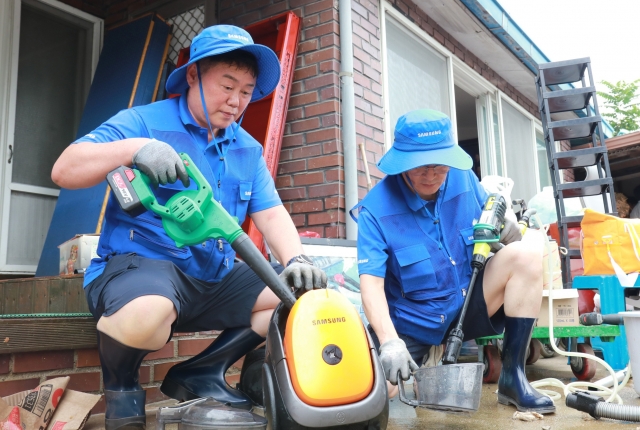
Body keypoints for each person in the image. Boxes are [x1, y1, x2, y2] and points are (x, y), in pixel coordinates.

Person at [52, 25, 326, 430]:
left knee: (297, 299)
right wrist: (134, 149)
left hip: (211, 273)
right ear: (194, 76)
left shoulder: (247, 148)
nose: (236, 102)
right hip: (141, 266)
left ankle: (203, 370)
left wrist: (297, 258)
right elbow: (65, 169)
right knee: (149, 310)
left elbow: (270, 213)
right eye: (226, 86)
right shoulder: (143, 120)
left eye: (246, 91)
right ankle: (122, 385)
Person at [351, 109, 555, 414]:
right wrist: (390, 342)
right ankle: (406, 361)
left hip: (468, 301)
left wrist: (507, 224)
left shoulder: (463, 178)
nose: (431, 175)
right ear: (402, 161)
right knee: (373, 395)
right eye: (420, 166)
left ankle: (514, 378)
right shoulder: (375, 210)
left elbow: (491, 210)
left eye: (439, 166)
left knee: (526, 255)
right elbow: (371, 286)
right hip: (414, 323)